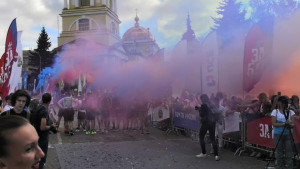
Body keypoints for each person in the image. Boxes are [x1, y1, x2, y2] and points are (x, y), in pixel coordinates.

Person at [32, 93, 57, 169]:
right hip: (42, 137)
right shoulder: (44, 111)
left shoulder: (39, 107)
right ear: (50, 101)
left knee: (37, 159)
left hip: (37, 135)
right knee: (41, 159)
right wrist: (51, 127)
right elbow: (42, 127)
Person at [271, 96, 295, 169]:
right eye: (282, 102)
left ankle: (289, 166)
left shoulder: (291, 112)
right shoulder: (275, 112)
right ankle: (279, 166)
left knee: (289, 152)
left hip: (288, 134)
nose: (284, 104)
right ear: (279, 102)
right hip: (278, 134)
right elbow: (274, 124)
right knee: (279, 152)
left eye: (285, 102)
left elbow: (293, 124)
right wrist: (284, 124)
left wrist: (290, 124)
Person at [195, 94, 220, 161]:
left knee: (201, 136)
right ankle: (216, 155)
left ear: (202, 99)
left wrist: (199, 109)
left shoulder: (203, 105)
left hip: (206, 122)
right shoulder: (211, 104)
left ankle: (204, 153)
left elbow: (202, 114)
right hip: (212, 122)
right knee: (213, 138)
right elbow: (214, 111)